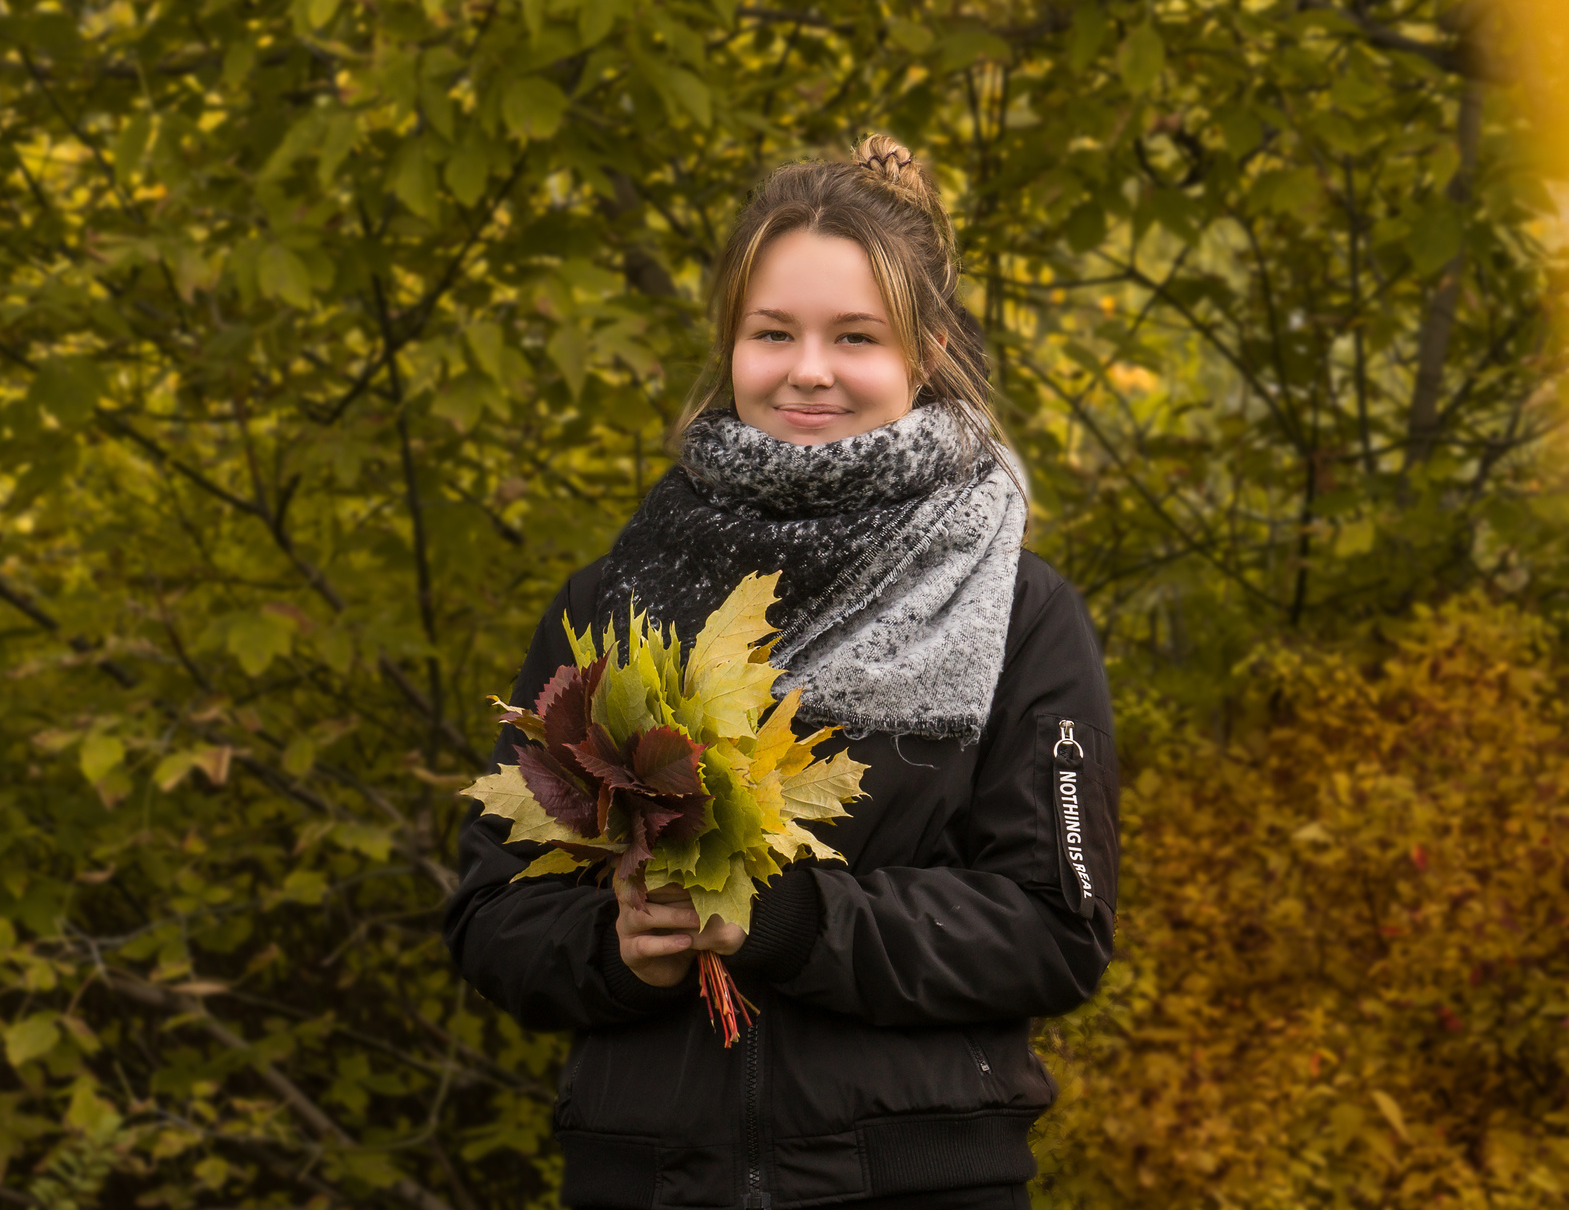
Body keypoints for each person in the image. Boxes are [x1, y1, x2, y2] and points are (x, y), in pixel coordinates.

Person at [446, 135, 1118, 1210]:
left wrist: (796, 924)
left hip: (908, 1188)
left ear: (926, 348)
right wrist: (620, 950)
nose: (809, 369)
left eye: (855, 336)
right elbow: (491, 917)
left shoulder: (1016, 610)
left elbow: (1055, 929)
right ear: (731, 344)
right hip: (648, 1186)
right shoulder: (610, 603)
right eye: (774, 333)